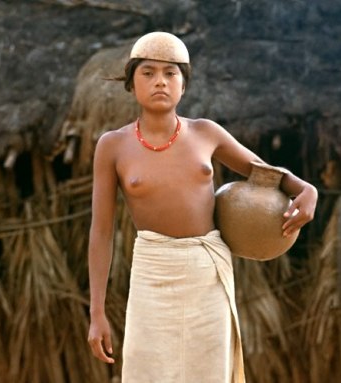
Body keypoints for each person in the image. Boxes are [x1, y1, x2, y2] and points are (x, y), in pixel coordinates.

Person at [87, 31, 318, 383]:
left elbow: (266, 173)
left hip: (206, 271)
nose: (160, 82)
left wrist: (307, 190)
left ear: (184, 85)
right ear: (131, 82)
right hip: (153, 272)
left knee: (209, 373)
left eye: (171, 73)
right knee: (148, 372)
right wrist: (97, 312)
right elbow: (101, 231)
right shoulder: (113, 146)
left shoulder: (206, 133)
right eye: (148, 72)